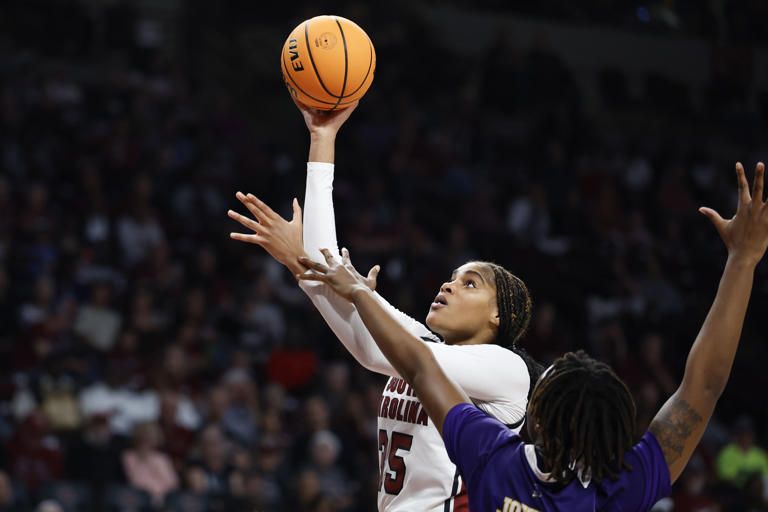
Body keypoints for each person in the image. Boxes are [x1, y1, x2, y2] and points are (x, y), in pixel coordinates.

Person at [294, 162, 768, 511]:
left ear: (538, 411)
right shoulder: (624, 488)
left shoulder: (495, 459)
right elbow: (704, 385)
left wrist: (359, 293)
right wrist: (743, 263)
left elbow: (419, 365)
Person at [228, 100, 542, 511]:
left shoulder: (508, 371)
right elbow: (345, 301)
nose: (449, 285)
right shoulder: (420, 345)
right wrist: (323, 140)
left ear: (497, 315)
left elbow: (379, 348)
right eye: (451, 277)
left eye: (470, 283)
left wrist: (358, 292)